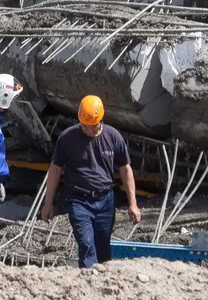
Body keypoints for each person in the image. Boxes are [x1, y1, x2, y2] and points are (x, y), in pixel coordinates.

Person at [38, 96, 140, 268]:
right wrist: (48, 203)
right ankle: (87, 280)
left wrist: (133, 203)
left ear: (101, 120)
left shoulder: (113, 137)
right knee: (86, 243)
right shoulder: (68, 138)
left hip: (105, 200)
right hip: (78, 199)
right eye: (84, 125)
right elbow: (55, 170)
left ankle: (103, 282)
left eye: (92, 126)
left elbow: (125, 169)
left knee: (103, 247)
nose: (87, 129)